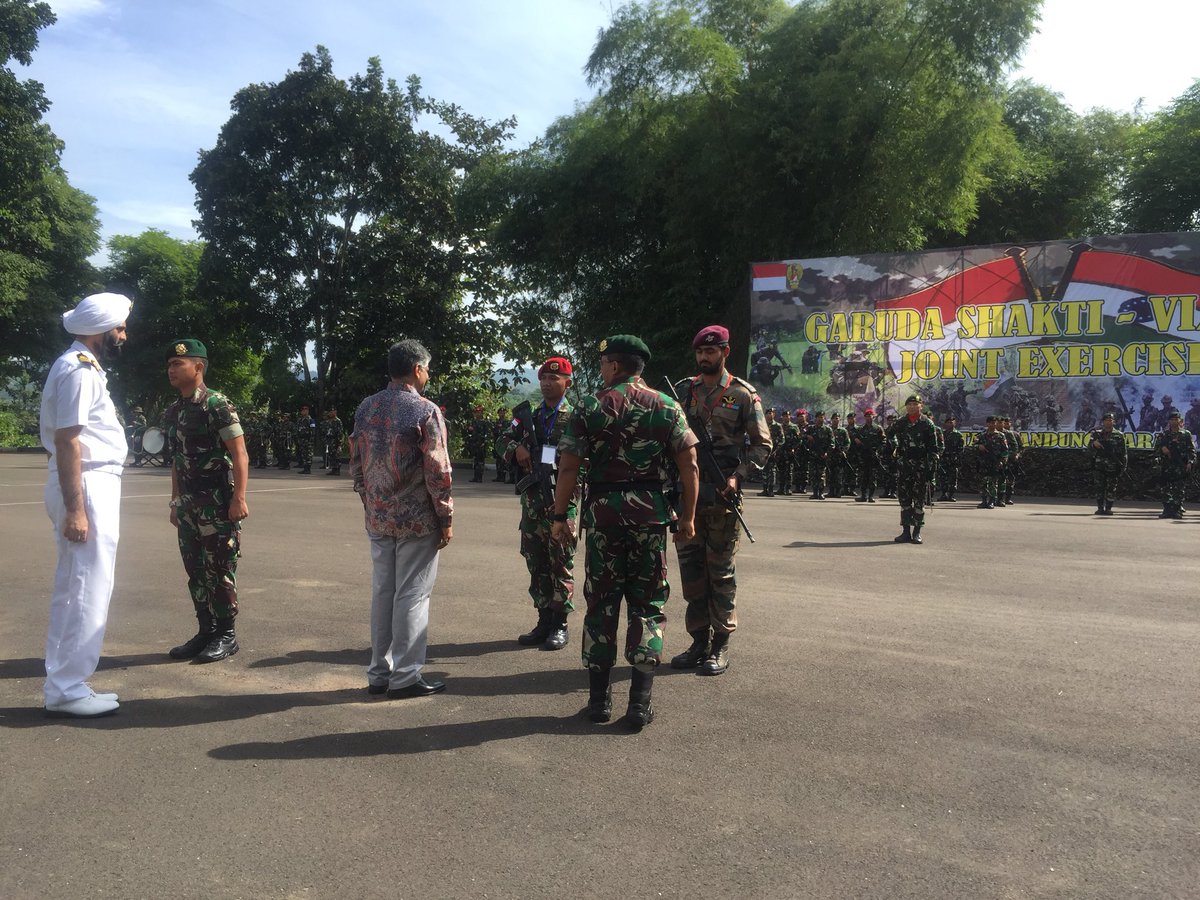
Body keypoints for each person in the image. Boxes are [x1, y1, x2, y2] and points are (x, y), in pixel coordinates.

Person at [551, 334, 699, 728]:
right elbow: (690, 466)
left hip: (602, 518)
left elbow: (567, 468)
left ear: (614, 366)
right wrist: (688, 517)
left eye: (604, 364)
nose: (602, 371)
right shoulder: (667, 406)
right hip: (650, 516)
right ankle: (639, 705)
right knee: (647, 604)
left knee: (601, 604)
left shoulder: (589, 405)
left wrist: (559, 516)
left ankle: (599, 703)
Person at [40, 293, 133, 717]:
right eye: (119, 328)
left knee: (78, 584)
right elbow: (68, 440)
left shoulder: (81, 366)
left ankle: (66, 681)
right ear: (101, 331)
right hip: (87, 485)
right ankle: (66, 689)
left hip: (91, 482)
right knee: (85, 587)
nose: (123, 335)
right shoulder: (79, 371)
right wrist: (77, 509)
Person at [350, 339, 452, 698]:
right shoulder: (424, 410)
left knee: (383, 592)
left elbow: (356, 462)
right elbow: (438, 470)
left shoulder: (367, 407)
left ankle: (379, 672)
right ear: (418, 369)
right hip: (416, 521)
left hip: (378, 518)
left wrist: (370, 502)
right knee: (412, 595)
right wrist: (446, 516)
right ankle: (406, 675)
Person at [670, 325, 771, 677]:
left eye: (711, 352)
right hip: (689, 500)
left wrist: (737, 474)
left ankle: (720, 644)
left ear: (725, 353)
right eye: (700, 352)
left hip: (724, 500)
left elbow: (763, 444)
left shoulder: (743, 395)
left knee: (721, 574)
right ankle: (698, 641)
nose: (704, 358)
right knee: (691, 572)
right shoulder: (684, 393)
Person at [162, 340, 250, 662]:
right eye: (170, 363)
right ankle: (205, 630)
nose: (171, 369)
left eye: (178, 363)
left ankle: (227, 634)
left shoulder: (217, 405)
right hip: (187, 506)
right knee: (195, 570)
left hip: (216, 503)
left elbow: (239, 454)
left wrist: (238, 498)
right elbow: (176, 460)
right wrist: (174, 501)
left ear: (198, 367)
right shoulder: (174, 411)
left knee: (220, 568)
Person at [503, 357, 580, 650]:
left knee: (560, 562)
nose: (548, 383)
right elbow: (502, 439)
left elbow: (586, 458)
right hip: (534, 502)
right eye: (544, 379)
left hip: (562, 501)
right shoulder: (528, 417)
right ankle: (543, 619)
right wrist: (516, 447)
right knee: (536, 561)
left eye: (554, 379)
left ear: (567, 383)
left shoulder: (575, 418)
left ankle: (560, 624)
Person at [885, 394, 938, 544]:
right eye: (909, 404)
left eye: (915, 404)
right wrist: (895, 447)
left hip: (921, 467)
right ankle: (906, 532)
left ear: (921, 406)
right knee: (904, 500)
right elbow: (889, 435)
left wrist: (930, 469)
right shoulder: (901, 422)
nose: (912, 406)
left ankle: (917, 532)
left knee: (919, 500)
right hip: (904, 466)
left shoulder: (927, 424)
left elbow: (934, 449)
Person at [1154, 410, 1194, 519]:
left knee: (1179, 489)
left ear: (1180, 421)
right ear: (1168, 421)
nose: (1174, 421)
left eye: (1176, 419)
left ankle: (1177, 510)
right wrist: (1162, 450)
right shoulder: (1163, 435)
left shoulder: (1185, 434)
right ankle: (1167, 510)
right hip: (1166, 466)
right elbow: (1156, 450)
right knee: (1165, 489)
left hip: (1180, 466)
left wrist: (1190, 462)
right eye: (1172, 419)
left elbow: (1191, 450)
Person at [1087, 412, 1127, 515]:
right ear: (1103, 422)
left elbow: (1124, 452)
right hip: (1099, 465)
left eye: (1110, 420)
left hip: (1113, 466)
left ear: (1114, 422)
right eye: (1106, 420)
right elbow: (1089, 449)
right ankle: (1100, 508)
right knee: (1099, 487)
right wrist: (1094, 444)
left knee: (1111, 488)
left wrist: (1123, 466)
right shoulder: (1097, 434)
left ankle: (1108, 508)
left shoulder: (1119, 435)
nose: (1108, 422)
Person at [975, 416, 1010, 510]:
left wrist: (1002, 461)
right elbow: (973, 446)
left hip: (995, 462)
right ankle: (983, 501)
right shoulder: (982, 435)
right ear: (987, 424)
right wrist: (979, 446)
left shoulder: (1000, 436)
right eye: (990, 423)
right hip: (984, 463)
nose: (992, 425)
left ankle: (991, 501)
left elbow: (1005, 450)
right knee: (982, 483)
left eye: (994, 423)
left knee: (993, 483)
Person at [852, 408, 885, 502]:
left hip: (873, 456)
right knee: (863, 477)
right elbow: (855, 441)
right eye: (866, 416)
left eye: (870, 416)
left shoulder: (878, 428)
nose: (868, 418)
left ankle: (871, 496)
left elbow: (883, 441)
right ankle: (863, 496)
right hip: (864, 456)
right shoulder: (861, 429)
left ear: (873, 417)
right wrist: (857, 442)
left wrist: (878, 451)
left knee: (872, 477)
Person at [806, 411, 833, 500]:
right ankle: (814, 493)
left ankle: (820, 493)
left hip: (822, 455)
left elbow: (832, 443)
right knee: (813, 474)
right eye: (818, 417)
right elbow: (802, 437)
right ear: (816, 418)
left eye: (822, 417)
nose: (820, 419)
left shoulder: (828, 429)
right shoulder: (811, 429)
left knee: (821, 475)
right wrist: (808, 438)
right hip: (813, 455)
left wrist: (827, 453)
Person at [938, 415, 965, 501]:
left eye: (952, 422)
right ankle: (943, 494)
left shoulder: (958, 434)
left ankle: (951, 495)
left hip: (954, 459)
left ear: (955, 423)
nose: (950, 424)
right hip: (944, 458)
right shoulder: (942, 434)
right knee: (943, 477)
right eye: (948, 422)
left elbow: (961, 448)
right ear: (945, 424)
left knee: (953, 478)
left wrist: (958, 458)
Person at [760, 407, 784, 497]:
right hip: (764, 451)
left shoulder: (778, 426)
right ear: (765, 415)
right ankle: (764, 489)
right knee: (764, 470)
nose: (770, 415)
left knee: (772, 471)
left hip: (773, 452)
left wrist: (776, 450)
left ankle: (771, 490)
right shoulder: (762, 425)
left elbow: (782, 440)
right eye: (769, 413)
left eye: (772, 413)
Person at [465, 406, 490, 482]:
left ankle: (479, 477)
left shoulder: (484, 422)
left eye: (479, 412)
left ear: (482, 413)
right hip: (474, 444)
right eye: (476, 412)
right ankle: (475, 477)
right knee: (476, 461)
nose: (477, 414)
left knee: (480, 461)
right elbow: (470, 432)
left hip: (481, 444)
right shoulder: (473, 422)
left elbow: (487, 434)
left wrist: (484, 442)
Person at [294, 404, 316, 474]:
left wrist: (311, 440)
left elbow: (313, 431)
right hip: (301, 440)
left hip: (308, 440)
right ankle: (305, 468)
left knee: (308, 455)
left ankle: (308, 468)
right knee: (303, 454)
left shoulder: (311, 420)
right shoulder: (300, 420)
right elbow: (297, 429)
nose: (304, 411)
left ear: (308, 411)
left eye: (305, 410)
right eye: (303, 410)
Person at [323, 407, 344, 475]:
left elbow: (340, 432)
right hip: (329, 441)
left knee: (337, 455)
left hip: (335, 440)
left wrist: (339, 442)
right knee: (331, 455)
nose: (331, 413)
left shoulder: (338, 421)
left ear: (335, 412)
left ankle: (337, 469)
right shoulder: (329, 421)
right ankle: (333, 469)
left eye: (332, 412)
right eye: (330, 412)